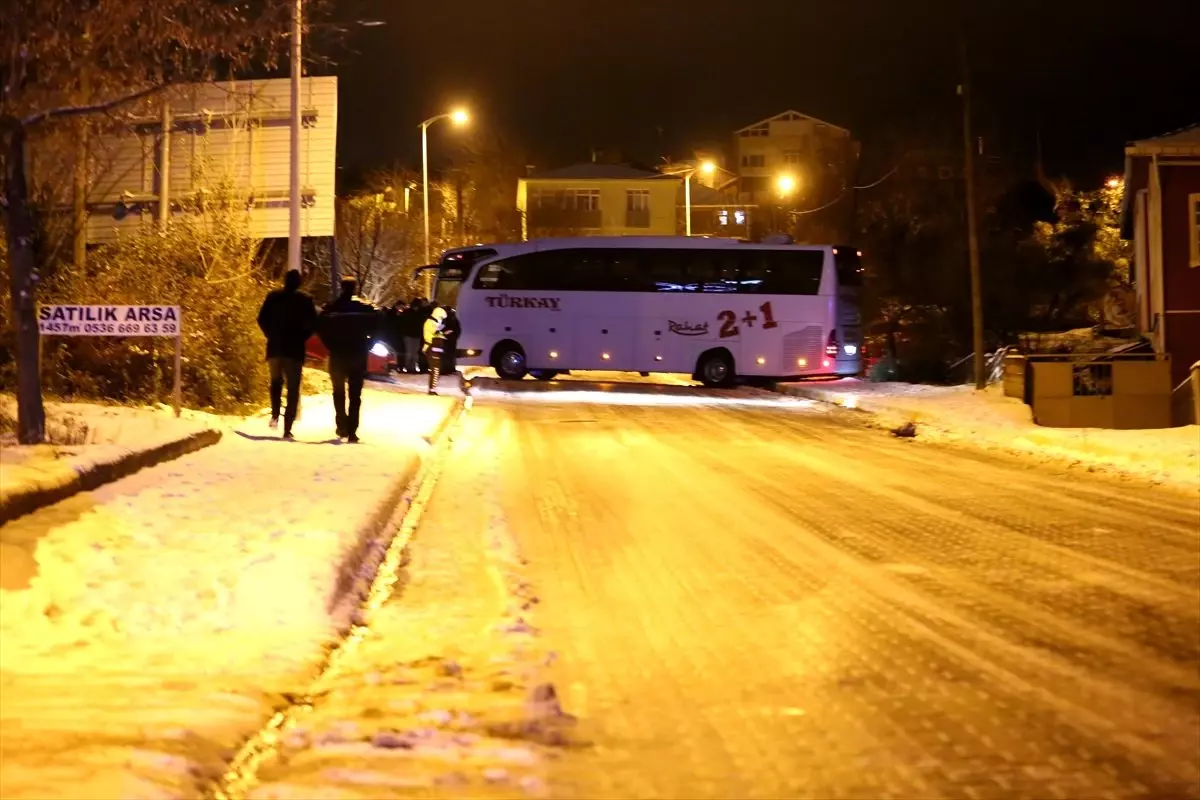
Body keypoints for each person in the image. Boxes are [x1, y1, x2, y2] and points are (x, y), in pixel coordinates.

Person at [316, 278, 380, 443]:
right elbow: (379, 325)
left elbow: (320, 327)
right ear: (354, 288)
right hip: (358, 354)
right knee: (355, 394)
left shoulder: (332, 308)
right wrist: (368, 344)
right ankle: (352, 430)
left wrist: (330, 345)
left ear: (342, 287)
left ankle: (341, 425)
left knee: (338, 392)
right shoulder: (364, 309)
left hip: (338, 354)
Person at [256, 269, 316, 440]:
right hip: (294, 350)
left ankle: (275, 415)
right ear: (299, 283)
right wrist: (302, 337)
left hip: (275, 348)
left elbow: (261, 319)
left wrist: (270, 335)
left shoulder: (273, 297)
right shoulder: (305, 300)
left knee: (275, 383)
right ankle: (287, 428)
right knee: (293, 388)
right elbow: (313, 324)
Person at [423, 306, 448, 395]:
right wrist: (440, 332)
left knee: (436, 369)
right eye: (441, 318)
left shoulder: (434, 323)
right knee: (435, 369)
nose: (441, 320)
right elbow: (432, 334)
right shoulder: (430, 322)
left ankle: (433, 389)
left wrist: (443, 333)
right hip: (431, 348)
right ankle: (432, 390)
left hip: (435, 349)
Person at [400, 298, 425, 374]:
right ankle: (409, 367)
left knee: (413, 353)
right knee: (410, 352)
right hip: (410, 335)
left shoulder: (416, 313)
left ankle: (411, 367)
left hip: (414, 335)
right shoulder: (410, 312)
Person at [440, 307, 462, 377]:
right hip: (452, 340)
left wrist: (443, 334)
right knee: (451, 355)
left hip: (445, 340)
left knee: (445, 355)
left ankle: (445, 369)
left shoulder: (444, 319)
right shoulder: (454, 319)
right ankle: (450, 368)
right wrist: (455, 336)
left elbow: (441, 328)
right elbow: (458, 330)